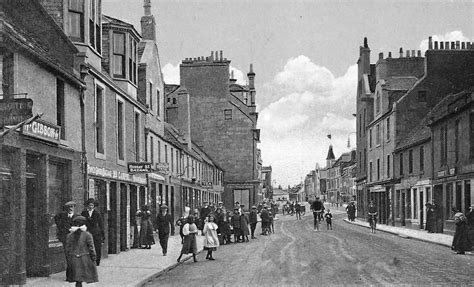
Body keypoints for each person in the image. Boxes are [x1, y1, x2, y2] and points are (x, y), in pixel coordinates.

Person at [65, 216, 98, 287]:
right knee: (83, 278)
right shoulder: (87, 235)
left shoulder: (69, 235)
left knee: (77, 279)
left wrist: (69, 259)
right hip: (85, 259)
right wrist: (93, 257)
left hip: (73, 259)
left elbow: (67, 249)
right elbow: (91, 248)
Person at [81, 198, 104, 265]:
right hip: (87, 232)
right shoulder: (84, 213)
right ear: (87, 206)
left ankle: (97, 262)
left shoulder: (97, 213)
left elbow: (101, 224)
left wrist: (102, 236)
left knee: (97, 247)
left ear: (94, 206)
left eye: (92, 205)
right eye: (89, 205)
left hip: (96, 233)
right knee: (88, 247)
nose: (90, 206)